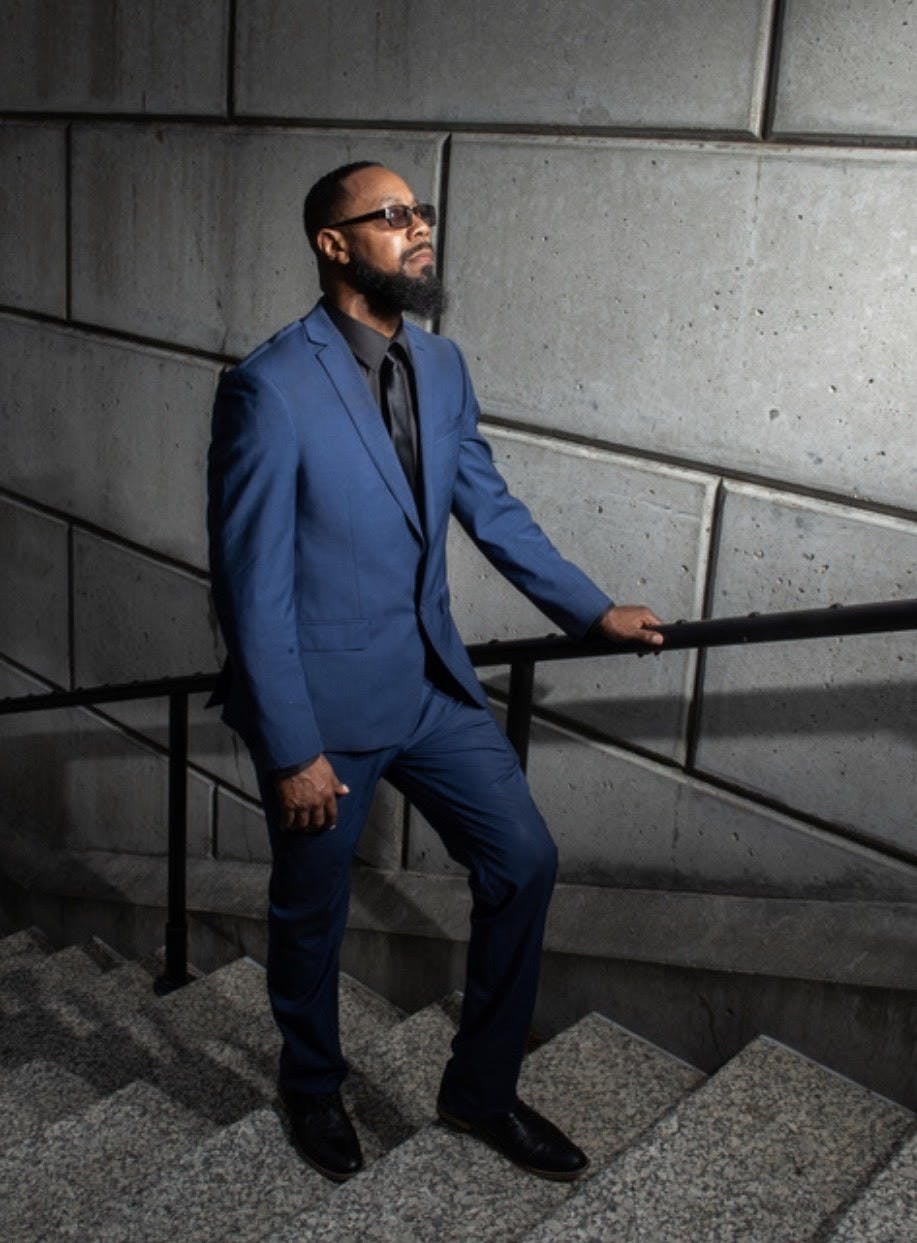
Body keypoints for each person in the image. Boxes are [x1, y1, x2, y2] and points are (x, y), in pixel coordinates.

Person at [207, 160, 663, 1183]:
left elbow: (488, 507)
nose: (419, 230)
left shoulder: (443, 367)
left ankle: (479, 1093)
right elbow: (249, 587)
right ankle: (312, 1086)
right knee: (310, 915)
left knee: (524, 862)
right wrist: (290, 751)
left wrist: (588, 606)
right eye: (391, 216)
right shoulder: (270, 387)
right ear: (333, 243)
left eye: (421, 213)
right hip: (321, 715)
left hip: (432, 689)